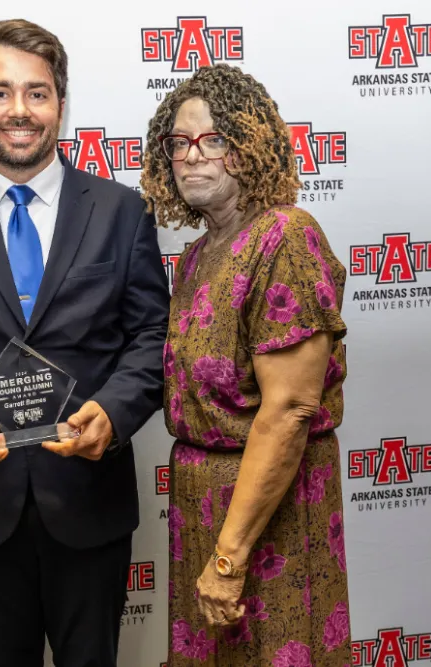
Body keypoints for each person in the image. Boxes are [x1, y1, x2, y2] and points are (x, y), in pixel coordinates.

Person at [0, 18, 169, 667]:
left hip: (88, 503)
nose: (19, 110)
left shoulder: (121, 210)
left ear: (60, 103)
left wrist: (116, 408)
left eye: (37, 93)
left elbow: (151, 336)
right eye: (0, 92)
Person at [139, 63, 351, 665]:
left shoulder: (285, 236)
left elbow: (288, 410)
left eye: (214, 140)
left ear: (251, 145)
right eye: (179, 143)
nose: (192, 156)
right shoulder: (199, 254)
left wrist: (229, 558)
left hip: (267, 513)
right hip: (202, 504)